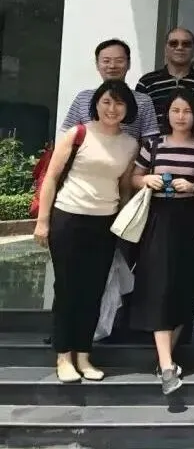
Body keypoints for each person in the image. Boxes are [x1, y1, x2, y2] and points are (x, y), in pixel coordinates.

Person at [33, 80, 139, 384]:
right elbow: (51, 178)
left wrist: (125, 219)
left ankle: (83, 354)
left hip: (104, 224)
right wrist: (43, 221)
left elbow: (123, 187)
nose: (112, 109)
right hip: (68, 218)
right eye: (106, 102)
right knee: (68, 289)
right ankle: (63, 355)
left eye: (119, 103)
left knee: (94, 290)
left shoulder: (130, 144)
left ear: (128, 109)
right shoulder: (77, 134)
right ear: (96, 104)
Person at [128, 88, 194, 394]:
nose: (181, 116)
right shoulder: (154, 144)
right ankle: (166, 366)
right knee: (159, 287)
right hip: (159, 219)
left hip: (192, 221)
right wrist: (145, 180)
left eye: (187, 111)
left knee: (185, 287)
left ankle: (168, 357)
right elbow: (133, 178)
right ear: (168, 114)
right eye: (176, 110)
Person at [59, 38, 160, 142]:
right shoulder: (83, 98)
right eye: (106, 61)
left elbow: (150, 143)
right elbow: (65, 137)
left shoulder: (144, 101)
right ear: (97, 64)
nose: (112, 66)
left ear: (129, 64)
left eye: (119, 61)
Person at [136, 27, 194, 131]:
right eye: (173, 43)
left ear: (193, 50)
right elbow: (137, 120)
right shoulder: (146, 83)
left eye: (186, 44)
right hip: (153, 141)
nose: (180, 47)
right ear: (165, 49)